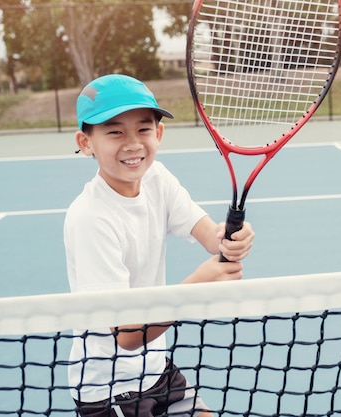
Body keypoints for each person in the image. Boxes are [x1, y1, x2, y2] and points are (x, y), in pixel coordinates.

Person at [64, 74, 255, 416]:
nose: (132, 143)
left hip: (155, 371)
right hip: (110, 388)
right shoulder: (91, 218)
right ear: (86, 141)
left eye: (143, 129)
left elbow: (209, 234)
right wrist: (197, 286)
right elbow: (125, 335)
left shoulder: (158, 179)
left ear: (159, 133)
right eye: (114, 131)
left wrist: (229, 237)